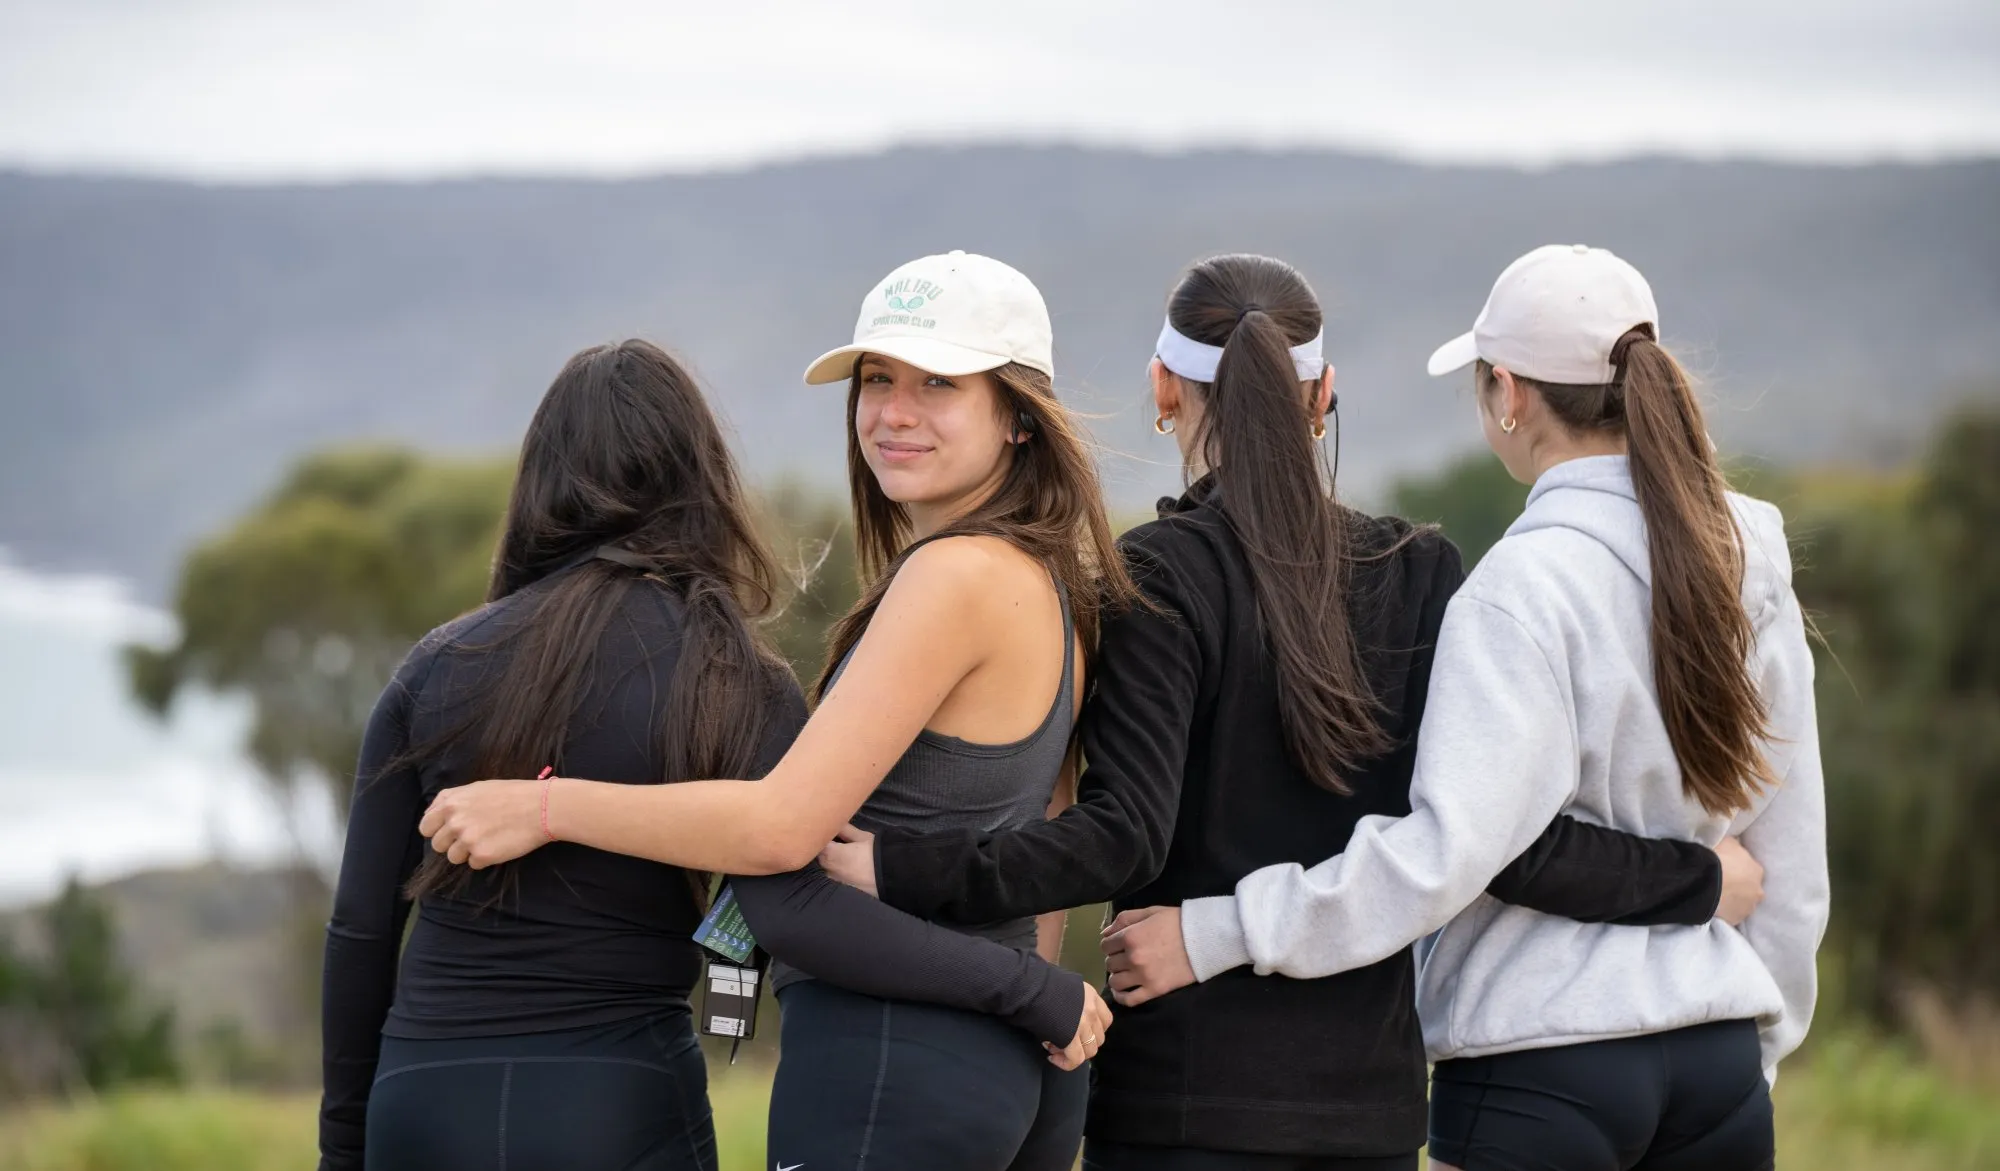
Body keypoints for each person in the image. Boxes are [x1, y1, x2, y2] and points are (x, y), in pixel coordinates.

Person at [820, 252, 1763, 1171]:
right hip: (1374, 1109)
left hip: (1181, 1099)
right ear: (1323, 397)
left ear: (1163, 388)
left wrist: (901, 865)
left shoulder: (1154, 572)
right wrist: (1691, 880)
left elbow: (1121, 841)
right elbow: (1483, 841)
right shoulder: (1421, 569)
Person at [1109, 245, 1828, 1171]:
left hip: (1541, 1061)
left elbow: (1453, 852)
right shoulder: (1749, 557)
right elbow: (1790, 852)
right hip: (1718, 1052)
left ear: (1507, 393)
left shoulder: (1516, 586)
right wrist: (1757, 1036)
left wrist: (1216, 930)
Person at [417, 251, 1131, 1170]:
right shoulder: (1052, 580)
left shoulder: (956, 576)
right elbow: (1045, 834)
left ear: (1020, 418)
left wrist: (541, 807)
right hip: (1003, 1065)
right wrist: (1030, 996)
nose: (894, 411)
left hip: (895, 1060)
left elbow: (778, 831)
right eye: (878, 379)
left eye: (939, 383)